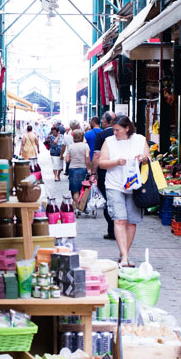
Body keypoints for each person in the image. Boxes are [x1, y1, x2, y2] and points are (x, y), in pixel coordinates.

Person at [98, 115, 150, 267]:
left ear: (127, 128)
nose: (114, 133)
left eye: (117, 130)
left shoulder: (140, 139)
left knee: (132, 222)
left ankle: (123, 254)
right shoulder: (109, 142)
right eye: (113, 130)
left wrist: (143, 158)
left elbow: (148, 157)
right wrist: (115, 162)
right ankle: (126, 258)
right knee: (119, 220)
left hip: (135, 186)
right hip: (115, 185)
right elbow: (101, 163)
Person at [91, 110, 116, 239]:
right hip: (120, 172)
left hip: (105, 173)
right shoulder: (124, 134)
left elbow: (96, 155)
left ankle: (112, 230)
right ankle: (120, 230)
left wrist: (92, 173)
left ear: (105, 121)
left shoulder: (102, 135)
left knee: (107, 201)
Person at [65, 129, 91, 200]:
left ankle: (76, 208)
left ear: (73, 138)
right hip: (83, 169)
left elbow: (67, 160)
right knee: (84, 189)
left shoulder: (70, 147)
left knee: (75, 191)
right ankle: (82, 207)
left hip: (73, 169)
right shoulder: (86, 146)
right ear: (82, 137)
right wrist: (89, 169)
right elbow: (87, 156)